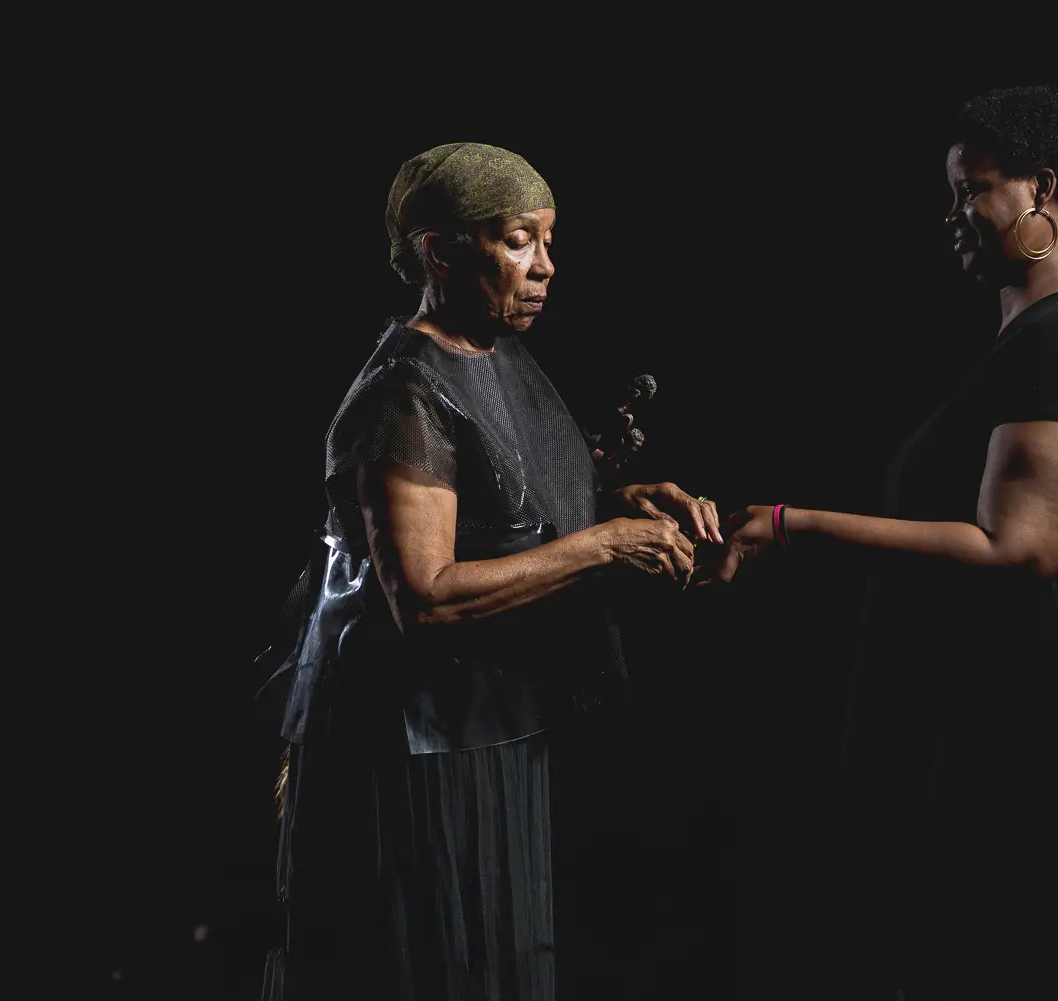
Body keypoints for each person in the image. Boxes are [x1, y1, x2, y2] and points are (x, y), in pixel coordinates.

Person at [704, 86, 1058, 997]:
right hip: (1011, 723)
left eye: (971, 190)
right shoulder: (1043, 328)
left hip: (1031, 741)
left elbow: (1019, 547)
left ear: (1043, 187)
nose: (951, 214)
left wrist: (794, 527)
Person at [256, 143, 721, 1001]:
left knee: (501, 963)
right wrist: (606, 543)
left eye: (548, 240)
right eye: (518, 241)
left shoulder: (497, 355)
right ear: (439, 252)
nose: (545, 266)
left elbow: (499, 500)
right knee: (439, 964)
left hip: (496, 722)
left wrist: (619, 497)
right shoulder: (405, 390)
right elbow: (425, 593)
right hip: (418, 748)